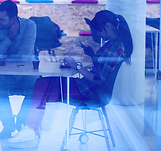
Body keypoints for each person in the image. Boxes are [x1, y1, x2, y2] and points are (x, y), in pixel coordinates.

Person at [9, 10, 133, 148]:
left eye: (99, 31)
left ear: (108, 26)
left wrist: (77, 66)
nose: (98, 34)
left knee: (41, 86)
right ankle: (31, 129)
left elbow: (98, 78)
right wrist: (92, 55)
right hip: (87, 88)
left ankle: (31, 129)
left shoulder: (116, 48)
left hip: (89, 92)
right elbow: (103, 67)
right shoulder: (114, 44)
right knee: (41, 85)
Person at [0, 0, 38, 139]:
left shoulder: (30, 26)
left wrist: (4, 55)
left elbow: (24, 57)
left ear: (13, 19)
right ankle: (9, 125)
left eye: (1, 19)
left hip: (26, 72)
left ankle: (21, 123)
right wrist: (11, 36)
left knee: (36, 89)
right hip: (4, 74)